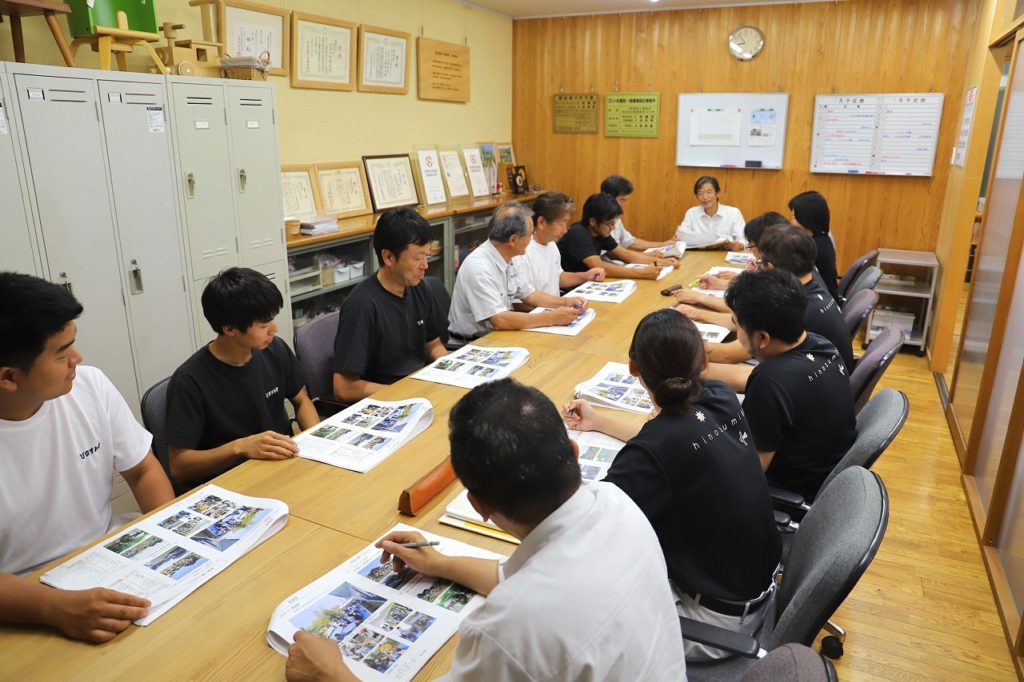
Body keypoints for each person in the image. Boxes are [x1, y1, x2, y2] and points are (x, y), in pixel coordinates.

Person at [285, 378, 688, 681]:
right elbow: (523, 577)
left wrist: (332, 674)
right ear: (574, 451)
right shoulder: (616, 503)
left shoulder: (508, 629)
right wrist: (440, 562)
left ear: (476, 505)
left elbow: (530, 601)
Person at [565, 309, 781, 661]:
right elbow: (673, 446)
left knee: (571, 612)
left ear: (633, 368)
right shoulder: (721, 397)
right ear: (703, 362)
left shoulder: (653, 454)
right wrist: (599, 420)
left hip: (711, 626)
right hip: (753, 588)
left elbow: (582, 529)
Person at [0, 272, 174, 642]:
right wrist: (54, 608)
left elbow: (142, 470)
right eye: (62, 353)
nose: (77, 359)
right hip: (25, 597)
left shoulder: (90, 385)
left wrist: (168, 540)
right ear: (9, 378)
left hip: (108, 557)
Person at [706, 269, 856, 501]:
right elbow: (764, 381)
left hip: (792, 488)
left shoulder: (770, 382)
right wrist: (702, 372)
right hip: (825, 472)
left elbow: (748, 474)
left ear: (763, 338)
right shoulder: (821, 344)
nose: (737, 331)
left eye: (738, 324)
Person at [166, 267, 319, 491]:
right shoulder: (190, 381)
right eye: (264, 325)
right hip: (233, 484)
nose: (273, 330)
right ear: (229, 329)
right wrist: (240, 447)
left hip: (283, 468)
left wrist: (316, 443)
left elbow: (302, 400)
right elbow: (179, 466)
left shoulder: (274, 349)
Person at [332, 208, 448, 403]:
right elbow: (343, 388)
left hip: (419, 390)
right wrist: (401, 392)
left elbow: (433, 344)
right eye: (418, 258)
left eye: (427, 257)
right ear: (388, 257)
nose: (425, 266)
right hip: (387, 401)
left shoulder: (419, 287)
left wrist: (450, 368)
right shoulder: (362, 306)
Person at [448, 201, 588, 342]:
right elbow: (499, 319)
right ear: (513, 240)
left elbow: (530, 295)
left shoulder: (512, 256)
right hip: (471, 342)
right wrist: (551, 318)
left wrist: (566, 302)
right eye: (530, 235)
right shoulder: (479, 267)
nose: (531, 239)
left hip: (499, 335)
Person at [756, 224, 854, 371]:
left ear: (770, 267)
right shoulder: (813, 281)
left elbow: (734, 353)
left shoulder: (792, 308)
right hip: (830, 376)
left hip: (813, 383)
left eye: (760, 264)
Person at [558, 192, 673, 280]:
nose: (613, 228)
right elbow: (598, 266)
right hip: (570, 288)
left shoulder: (601, 232)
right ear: (593, 221)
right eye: (610, 224)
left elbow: (625, 254)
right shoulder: (578, 233)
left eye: (614, 223)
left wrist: (663, 262)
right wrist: (642, 273)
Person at [517, 191, 605, 296]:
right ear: (541, 222)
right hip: (541, 310)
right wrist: (561, 303)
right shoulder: (523, 251)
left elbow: (558, 277)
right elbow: (522, 301)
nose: (565, 230)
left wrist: (586, 276)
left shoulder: (551, 244)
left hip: (555, 306)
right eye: (561, 223)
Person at [696, 211, 790, 290]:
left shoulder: (780, 275)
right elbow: (757, 288)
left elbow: (749, 304)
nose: (749, 247)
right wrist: (719, 283)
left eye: (750, 242)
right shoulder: (784, 263)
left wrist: (698, 298)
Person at [600, 174, 676, 253]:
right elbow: (610, 255)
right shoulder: (599, 222)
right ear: (608, 198)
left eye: (626, 200)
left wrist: (662, 245)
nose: (624, 204)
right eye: (622, 200)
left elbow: (631, 242)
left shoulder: (616, 219)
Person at [789, 190, 839, 299]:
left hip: (821, 299)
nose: (791, 222)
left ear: (806, 218)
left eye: (793, 217)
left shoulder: (812, 247)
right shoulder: (823, 238)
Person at [675, 176, 746, 249]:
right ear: (697, 196)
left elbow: (743, 240)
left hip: (724, 255)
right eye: (700, 193)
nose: (705, 197)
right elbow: (683, 236)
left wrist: (740, 245)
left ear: (718, 193)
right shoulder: (691, 213)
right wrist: (678, 238)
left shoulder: (734, 213)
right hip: (698, 255)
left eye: (709, 192)